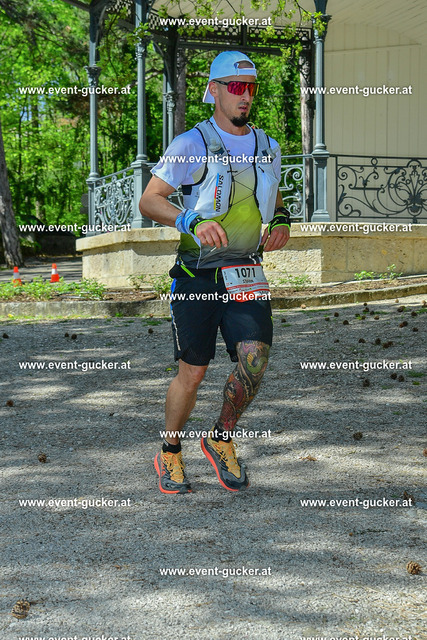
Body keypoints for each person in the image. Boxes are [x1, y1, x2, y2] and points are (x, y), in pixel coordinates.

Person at [139, 51, 290, 494]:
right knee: (193, 373)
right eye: (236, 87)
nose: (245, 96)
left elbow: (276, 198)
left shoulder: (267, 146)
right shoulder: (192, 143)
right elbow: (150, 200)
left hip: (245, 272)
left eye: (251, 88)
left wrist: (282, 221)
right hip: (197, 276)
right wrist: (189, 220)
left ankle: (220, 437)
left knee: (254, 361)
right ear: (214, 90)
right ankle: (169, 450)